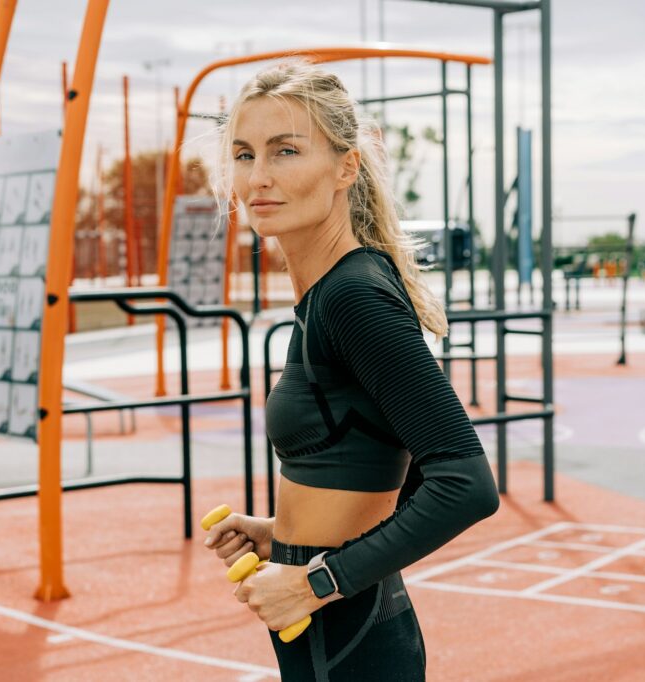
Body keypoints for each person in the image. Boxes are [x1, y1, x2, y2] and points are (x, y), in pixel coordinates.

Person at [202, 61, 500, 681]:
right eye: (244, 154)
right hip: (340, 632)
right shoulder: (328, 292)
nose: (259, 178)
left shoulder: (353, 297)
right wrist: (285, 535)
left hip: (349, 639)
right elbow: (395, 462)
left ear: (346, 167)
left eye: (286, 151)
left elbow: (465, 483)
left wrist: (316, 579)